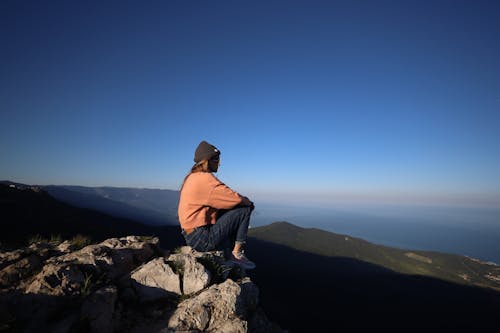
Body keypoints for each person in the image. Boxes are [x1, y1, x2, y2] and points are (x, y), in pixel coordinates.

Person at [177, 140, 256, 269]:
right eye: (216, 159)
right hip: (201, 238)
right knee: (244, 209)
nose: (219, 162)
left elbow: (224, 199)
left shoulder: (192, 177)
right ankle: (237, 254)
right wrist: (248, 202)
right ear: (207, 160)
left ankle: (230, 251)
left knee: (235, 208)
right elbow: (233, 197)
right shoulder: (205, 179)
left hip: (191, 234)